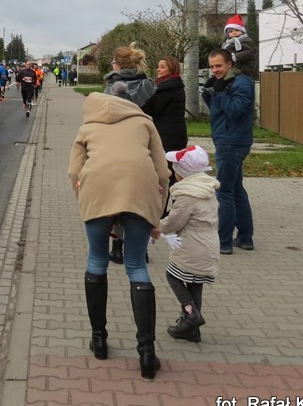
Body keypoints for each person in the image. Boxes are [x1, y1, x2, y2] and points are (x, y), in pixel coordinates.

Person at [68, 84, 169, 379]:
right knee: (136, 265)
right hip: (139, 190)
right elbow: (162, 172)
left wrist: (85, 201)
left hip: (97, 189)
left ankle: (99, 341)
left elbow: (74, 171)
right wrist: (156, 214)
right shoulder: (144, 123)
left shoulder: (88, 126)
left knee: (97, 259)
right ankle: (146, 354)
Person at [158, 145, 219, 343]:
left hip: (191, 246)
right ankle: (192, 330)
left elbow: (175, 221)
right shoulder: (207, 189)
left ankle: (190, 313)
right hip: (208, 245)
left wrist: (156, 227)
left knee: (173, 276)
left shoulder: (187, 195)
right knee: (195, 285)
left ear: (182, 173)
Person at [104, 43, 158, 264]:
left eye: (113, 61)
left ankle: (117, 248)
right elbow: (153, 119)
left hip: (116, 147)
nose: (112, 64)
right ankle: (140, 249)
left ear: (119, 65)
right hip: (143, 147)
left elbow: (106, 118)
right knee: (141, 200)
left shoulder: (111, 87)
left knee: (118, 199)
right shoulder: (148, 86)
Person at [203, 48, 255, 255]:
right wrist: (209, 93)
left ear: (230, 64)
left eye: (219, 66)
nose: (215, 70)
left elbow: (234, 111)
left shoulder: (241, 83)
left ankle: (223, 242)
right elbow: (218, 110)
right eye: (212, 66)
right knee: (237, 190)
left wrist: (221, 92)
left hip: (232, 142)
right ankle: (245, 238)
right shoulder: (226, 82)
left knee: (224, 192)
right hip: (227, 139)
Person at [142, 56, 188, 186]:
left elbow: (150, 110)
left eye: (162, 67)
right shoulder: (174, 86)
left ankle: (166, 197)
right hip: (175, 134)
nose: (158, 69)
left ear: (171, 69)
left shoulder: (166, 89)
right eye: (158, 67)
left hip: (167, 136)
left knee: (165, 172)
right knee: (172, 171)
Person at [222, 14, 258, 80]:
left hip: (244, 67)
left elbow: (249, 52)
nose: (234, 33)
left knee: (226, 77)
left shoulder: (245, 40)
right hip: (232, 67)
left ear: (242, 31)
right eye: (231, 31)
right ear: (227, 34)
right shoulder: (228, 43)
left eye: (237, 30)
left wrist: (235, 57)